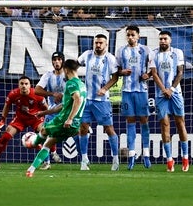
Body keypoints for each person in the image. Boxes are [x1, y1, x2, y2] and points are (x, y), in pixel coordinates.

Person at [25, 59, 87, 177]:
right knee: (48, 143)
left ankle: (32, 142)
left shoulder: (71, 83)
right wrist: (45, 112)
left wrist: (69, 118)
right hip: (75, 126)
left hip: (64, 121)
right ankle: (31, 170)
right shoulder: (82, 84)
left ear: (66, 69)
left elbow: (78, 99)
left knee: (43, 130)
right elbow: (63, 105)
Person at [78, 33, 120, 171]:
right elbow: (76, 66)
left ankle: (115, 159)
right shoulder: (87, 55)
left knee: (109, 129)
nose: (98, 45)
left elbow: (115, 77)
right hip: (86, 99)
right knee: (83, 128)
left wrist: (104, 88)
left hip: (102, 101)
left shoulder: (110, 59)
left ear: (106, 44)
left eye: (101, 43)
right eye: (96, 42)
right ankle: (84, 160)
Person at [149, 30, 189, 173]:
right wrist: (164, 90)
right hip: (160, 95)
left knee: (180, 123)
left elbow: (180, 72)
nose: (163, 41)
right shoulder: (153, 53)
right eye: (161, 39)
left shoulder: (177, 52)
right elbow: (154, 74)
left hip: (176, 93)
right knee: (164, 125)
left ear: (170, 40)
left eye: (165, 39)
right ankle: (169, 160)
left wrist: (171, 89)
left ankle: (185, 158)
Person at [116, 25, 152, 170]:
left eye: (132, 35)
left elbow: (152, 70)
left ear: (138, 36)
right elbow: (116, 70)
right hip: (127, 91)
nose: (130, 37)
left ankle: (146, 155)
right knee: (130, 122)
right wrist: (122, 72)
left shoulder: (146, 50)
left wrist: (147, 75)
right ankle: (131, 156)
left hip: (142, 90)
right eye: (128, 35)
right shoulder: (121, 51)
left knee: (144, 121)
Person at [0, 76, 47, 168]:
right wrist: (2, 120)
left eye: (26, 84)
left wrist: (46, 119)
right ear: (18, 85)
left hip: (35, 118)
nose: (24, 86)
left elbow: (46, 108)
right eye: (21, 84)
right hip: (20, 119)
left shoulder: (37, 94)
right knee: (6, 136)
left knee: (44, 133)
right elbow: (7, 106)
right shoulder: (13, 94)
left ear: (30, 85)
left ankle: (47, 160)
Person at [34, 52, 67, 169]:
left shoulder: (68, 76)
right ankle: (46, 162)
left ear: (63, 61)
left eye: (59, 59)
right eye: (54, 60)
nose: (56, 62)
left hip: (66, 112)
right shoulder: (48, 75)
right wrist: (52, 93)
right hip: (52, 112)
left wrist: (64, 96)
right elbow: (37, 90)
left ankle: (84, 159)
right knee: (45, 133)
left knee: (77, 133)